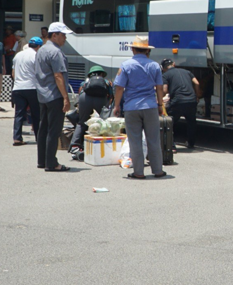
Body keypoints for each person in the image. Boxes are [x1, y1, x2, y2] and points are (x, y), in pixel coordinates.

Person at [113, 36, 166, 179]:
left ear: (132, 49)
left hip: (131, 107)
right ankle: (158, 171)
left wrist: (117, 105)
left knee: (135, 141)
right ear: (147, 50)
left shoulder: (126, 65)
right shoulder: (154, 65)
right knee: (153, 139)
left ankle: (139, 172)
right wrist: (160, 104)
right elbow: (159, 87)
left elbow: (119, 88)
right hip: (150, 106)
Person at [36, 22, 74, 172]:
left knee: (43, 129)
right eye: (63, 35)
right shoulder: (56, 52)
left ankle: (42, 161)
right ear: (54, 35)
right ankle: (51, 163)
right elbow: (58, 76)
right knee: (54, 130)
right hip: (54, 95)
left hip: (42, 95)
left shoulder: (41, 50)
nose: (65, 38)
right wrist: (66, 97)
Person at [69, 65, 113, 160]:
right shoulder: (106, 82)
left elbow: (80, 93)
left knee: (81, 122)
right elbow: (111, 96)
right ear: (102, 74)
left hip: (85, 99)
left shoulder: (85, 82)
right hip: (101, 100)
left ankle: (75, 146)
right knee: (103, 123)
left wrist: (78, 105)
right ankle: (103, 146)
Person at [161, 59, 201, 148]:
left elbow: (164, 90)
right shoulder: (187, 72)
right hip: (191, 100)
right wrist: (197, 96)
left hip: (177, 101)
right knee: (191, 122)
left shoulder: (165, 75)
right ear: (174, 64)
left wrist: (162, 96)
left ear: (163, 68)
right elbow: (197, 83)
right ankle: (191, 143)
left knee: (170, 123)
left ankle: (171, 145)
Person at [11, 37, 43, 147]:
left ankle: (17, 138)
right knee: (36, 114)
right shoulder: (36, 55)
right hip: (32, 87)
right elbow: (39, 73)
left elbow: (13, 74)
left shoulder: (18, 55)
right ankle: (39, 137)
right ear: (39, 46)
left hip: (18, 88)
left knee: (19, 113)